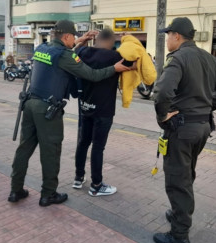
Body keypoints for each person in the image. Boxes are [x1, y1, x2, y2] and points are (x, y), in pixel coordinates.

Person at [8, 20, 131, 207]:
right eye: (73, 36)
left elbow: (62, 57)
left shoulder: (42, 47)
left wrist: (81, 41)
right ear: (66, 37)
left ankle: (16, 190)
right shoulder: (65, 55)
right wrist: (114, 68)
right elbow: (91, 74)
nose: (75, 39)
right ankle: (48, 194)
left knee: (24, 148)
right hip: (47, 109)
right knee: (50, 152)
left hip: (29, 104)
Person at [153, 17, 216, 243]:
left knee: (178, 179)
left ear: (177, 36)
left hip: (181, 128)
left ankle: (179, 235)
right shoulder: (209, 58)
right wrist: (209, 106)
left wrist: (162, 116)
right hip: (202, 127)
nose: (167, 39)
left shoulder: (178, 58)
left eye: (168, 35)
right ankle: (179, 213)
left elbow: (162, 93)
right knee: (187, 172)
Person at [71, 28, 123, 196]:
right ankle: (96, 185)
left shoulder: (83, 51)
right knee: (98, 147)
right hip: (104, 110)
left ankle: (78, 178)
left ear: (97, 39)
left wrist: (82, 40)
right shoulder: (114, 57)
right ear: (110, 41)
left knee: (83, 142)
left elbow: (75, 51)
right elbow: (136, 61)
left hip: (85, 107)